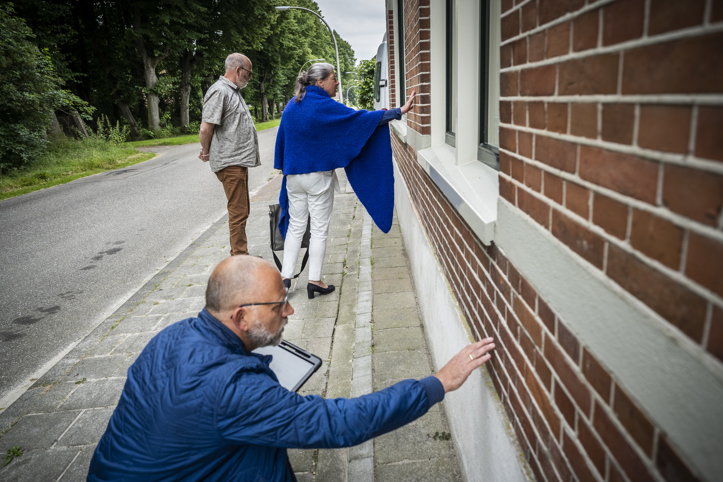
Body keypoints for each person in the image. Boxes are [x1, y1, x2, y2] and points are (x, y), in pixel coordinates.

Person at [88, 256, 495, 481]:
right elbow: (336, 424)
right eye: (278, 304)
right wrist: (436, 383)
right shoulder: (235, 392)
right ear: (241, 316)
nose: (290, 309)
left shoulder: (173, 335)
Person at [274, 63, 415, 299]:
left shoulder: (293, 103)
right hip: (317, 177)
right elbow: (358, 121)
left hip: (293, 178)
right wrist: (398, 111)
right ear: (320, 82)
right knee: (318, 229)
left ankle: (284, 281)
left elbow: (284, 140)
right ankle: (314, 281)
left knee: (296, 227)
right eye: (333, 78)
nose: (337, 82)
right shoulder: (324, 105)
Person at [199, 53, 260, 256]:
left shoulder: (232, 92)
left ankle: (242, 255)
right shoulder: (219, 92)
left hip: (237, 160)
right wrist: (205, 151)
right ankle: (239, 259)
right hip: (229, 161)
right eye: (249, 73)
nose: (250, 78)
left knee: (242, 210)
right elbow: (205, 129)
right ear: (238, 70)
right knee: (238, 212)